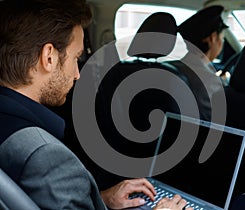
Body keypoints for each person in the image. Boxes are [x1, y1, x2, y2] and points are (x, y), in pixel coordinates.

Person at [0, 0, 192, 209]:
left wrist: (101, 199)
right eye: (76, 58)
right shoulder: (47, 155)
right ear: (49, 58)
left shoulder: (9, 124)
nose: (77, 74)